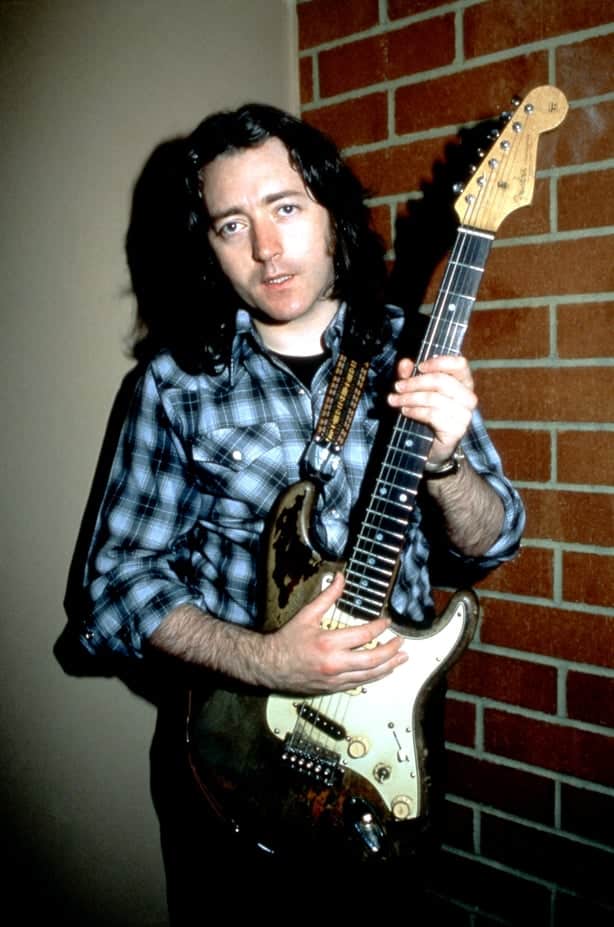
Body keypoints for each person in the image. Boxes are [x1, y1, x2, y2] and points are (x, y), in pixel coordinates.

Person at [61, 103, 524, 919]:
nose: (266, 249)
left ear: (331, 211)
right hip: (233, 767)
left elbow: (492, 539)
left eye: (284, 207)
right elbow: (113, 590)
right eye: (231, 224)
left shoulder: (411, 349)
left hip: (387, 753)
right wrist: (269, 661)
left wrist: (445, 460)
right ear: (207, 244)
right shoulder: (174, 385)